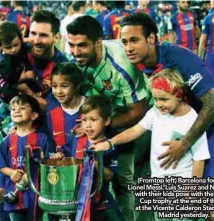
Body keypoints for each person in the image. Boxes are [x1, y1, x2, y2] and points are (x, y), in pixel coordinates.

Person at [120, 13, 214, 178]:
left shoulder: (178, 59)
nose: (128, 48)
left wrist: (184, 144)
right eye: (124, 42)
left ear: (151, 38)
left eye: (134, 40)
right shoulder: (140, 60)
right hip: (188, 120)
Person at [91, 69, 210, 221]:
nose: (159, 104)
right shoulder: (155, 112)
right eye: (155, 99)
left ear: (179, 94)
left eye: (164, 99)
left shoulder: (192, 120)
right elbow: (135, 130)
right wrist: (110, 142)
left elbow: (200, 158)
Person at [67, 15, 151, 221]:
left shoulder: (121, 64)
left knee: (130, 181)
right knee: (106, 178)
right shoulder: (78, 63)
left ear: (98, 42)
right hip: (108, 121)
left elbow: (138, 110)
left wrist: (103, 125)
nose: (76, 52)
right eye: (71, 45)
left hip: (138, 122)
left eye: (82, 46)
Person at [52, 95, 124, 221]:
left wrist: (95, 163)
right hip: (76, 200)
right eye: (84, 120)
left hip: (102, 201)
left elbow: (110, 176)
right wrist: (59, 155)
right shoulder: (77, 140)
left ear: (106, 121)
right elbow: (63, 152)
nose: (88, 125)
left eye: (93, 120)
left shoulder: (108, 146)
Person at [0, 94, 49, 221]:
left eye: (22, 108)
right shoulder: (6, 141)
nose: (17, 110)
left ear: (34, 115)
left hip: (36, 194)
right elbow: (0, 165)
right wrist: (12, 172)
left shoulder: (42, 139)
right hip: (14, 194)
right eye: (13, 109)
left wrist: (35, 173)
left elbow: (47, 163)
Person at [0, 22, 44, 138]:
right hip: (7, 89)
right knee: (18, 107)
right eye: (8, 48)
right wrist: (26, 76)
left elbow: (27, 45)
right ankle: (9, 130)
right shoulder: (4, 61)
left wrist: (30, 41)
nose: (13, 50)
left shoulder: (20, 48)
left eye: (15, 45)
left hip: (9, 89)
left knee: (11, 105)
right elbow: (10, 79)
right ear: (0, 46)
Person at [45, 62, 86, 156]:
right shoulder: (51, 113)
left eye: (64, 86)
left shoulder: (91, 108)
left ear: (77, 85)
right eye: (54, 86)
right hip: (64, 167)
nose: (58, 92)